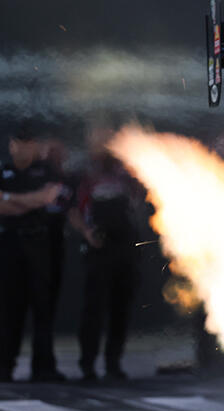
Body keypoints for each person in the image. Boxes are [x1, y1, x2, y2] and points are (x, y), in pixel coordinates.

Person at [69, 128, 144, 381]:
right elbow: (72, 209)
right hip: (98, 248)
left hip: (125, 247)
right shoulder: (83, 172)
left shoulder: (127, 169)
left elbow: (140, 199)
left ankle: (114, 363)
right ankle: (87, 364)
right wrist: (87, 233)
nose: (102, 143)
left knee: (120, 308)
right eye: (97, 138)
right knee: (94, 309)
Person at [0, 125, 67, 382]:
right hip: (9, 245)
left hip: (39, 245)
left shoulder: (46, 170)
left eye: (29, 142)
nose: (24, 147)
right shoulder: (3, 171)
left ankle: (44, 367)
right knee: (8, 309)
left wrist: (11, 198)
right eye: (20, 142)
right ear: (11, 144)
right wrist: (30, 201)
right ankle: (5, 365)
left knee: (43, 307)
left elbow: (48, 197)